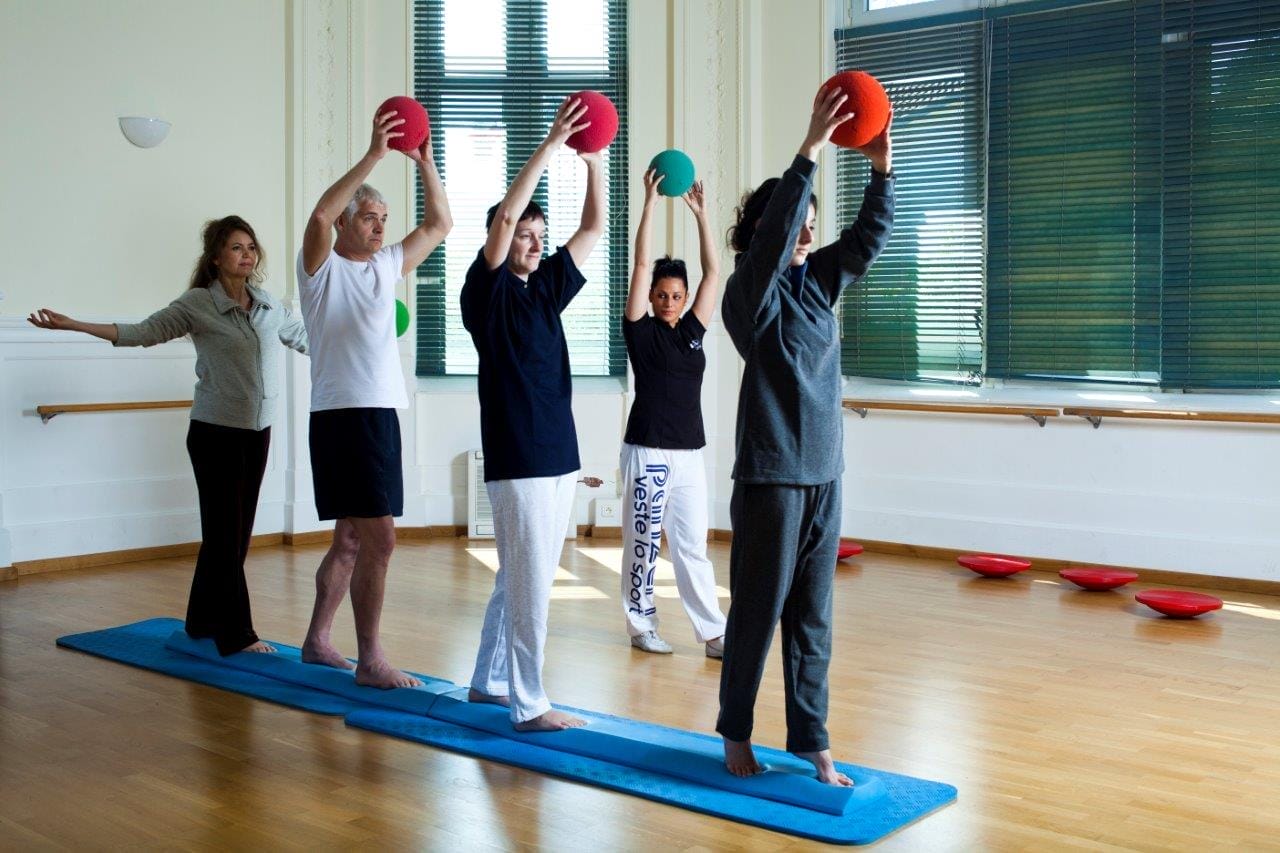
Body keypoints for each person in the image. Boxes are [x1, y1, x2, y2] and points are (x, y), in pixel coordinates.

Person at [717, 87, 894, 785]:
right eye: (795, 224)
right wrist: (809, 152)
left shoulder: (819, 282)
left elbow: (867, 240)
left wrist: (882, 170)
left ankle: (813, 740)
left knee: (813, 620)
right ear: (766, 230)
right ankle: (735, 735)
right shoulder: (746, 294)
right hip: (770, 479)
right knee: (757, 616)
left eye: (811, 224)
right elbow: (767, 250)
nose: (808, 234)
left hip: (825, 474)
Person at [28, 216, 308, 656]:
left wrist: (362, 335)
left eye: (251, 247)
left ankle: (200, 621)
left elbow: (308, 339)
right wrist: (77, 325)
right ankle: (238, 634)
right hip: (215, 433)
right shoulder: (198, 304)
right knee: (225, 534)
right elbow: (143, 332)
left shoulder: (269, 305)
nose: (247, 254)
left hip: (257, 433)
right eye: (236, 248)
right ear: (216, 258)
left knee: (234, 536)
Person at [461, 97, 606, 731]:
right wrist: (550, 146)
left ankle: (486, 682)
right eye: (522, 234)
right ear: (499, 236)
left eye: (537, 238)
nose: (531, 242)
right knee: (531, 588)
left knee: (523, 575)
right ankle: (530, 703)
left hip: (558, 455)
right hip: (518, 456)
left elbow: (594, 232)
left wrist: (596, 164)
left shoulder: (544, 286)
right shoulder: (484, 289)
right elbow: (507, 218)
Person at [297, 107, 452, 689]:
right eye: (368, 217)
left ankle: (316, 642)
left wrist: (426, 163)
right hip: (343, 415)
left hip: (380, 412)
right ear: (345, 224)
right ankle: (370, 659)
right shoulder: (319, 270)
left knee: (352, 537)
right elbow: (318, 213)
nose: (380, 227)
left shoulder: (387, 266)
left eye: (384, 218)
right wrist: (375, 154)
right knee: (381, 538)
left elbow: (439, 224)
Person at [620, 169, 727, 658]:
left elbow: (714, 274)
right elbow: (641, 262)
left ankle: (712, 633)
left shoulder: (692, 331)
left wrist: (702, 216)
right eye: (661, 294)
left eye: (675, 295)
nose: (667, 301)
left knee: (692, 548)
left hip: (688, 454)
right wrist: (649, 203)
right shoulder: (640, 330)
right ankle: (641, 627)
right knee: (644, 548)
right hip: (648, 450)